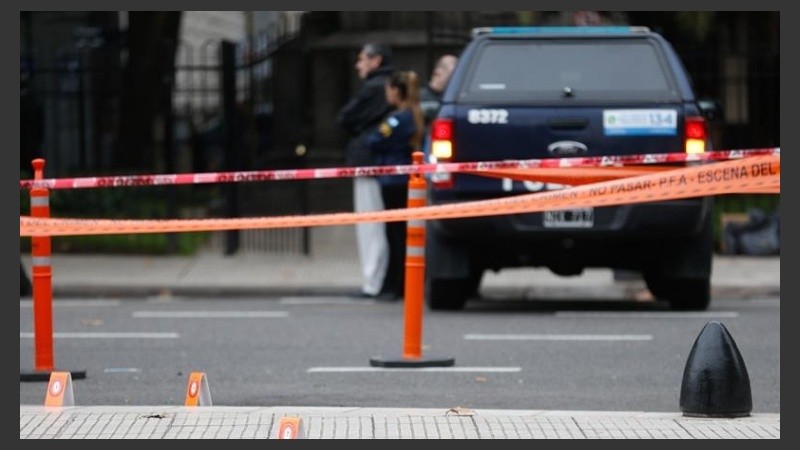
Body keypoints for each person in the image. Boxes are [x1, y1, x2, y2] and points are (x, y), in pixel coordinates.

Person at [338, 43, 394, 298]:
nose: (358, 65)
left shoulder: (373, 88)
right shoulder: (390, 84)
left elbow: (345, 117)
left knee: (370, 224)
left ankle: (373, 281)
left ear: (376, 60)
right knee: (381, 224)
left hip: (368, 161)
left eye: (362, 59)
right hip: (383, 162)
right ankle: (381, 279)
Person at [365, 70, 425, 301]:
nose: (386, 94)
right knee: (402, 234)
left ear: (396, 92)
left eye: (389, 90)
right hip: (405, 181)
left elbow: (375, 140)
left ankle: (394, 286)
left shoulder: (395, 119)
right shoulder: (413, 115)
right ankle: (401, 284)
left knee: (395, 235)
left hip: (392, 181)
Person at [419, 54, 458, 127]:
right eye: (453, 74)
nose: (456, 78)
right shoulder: (419, 98)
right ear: (437, 73)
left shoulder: (454, 99)